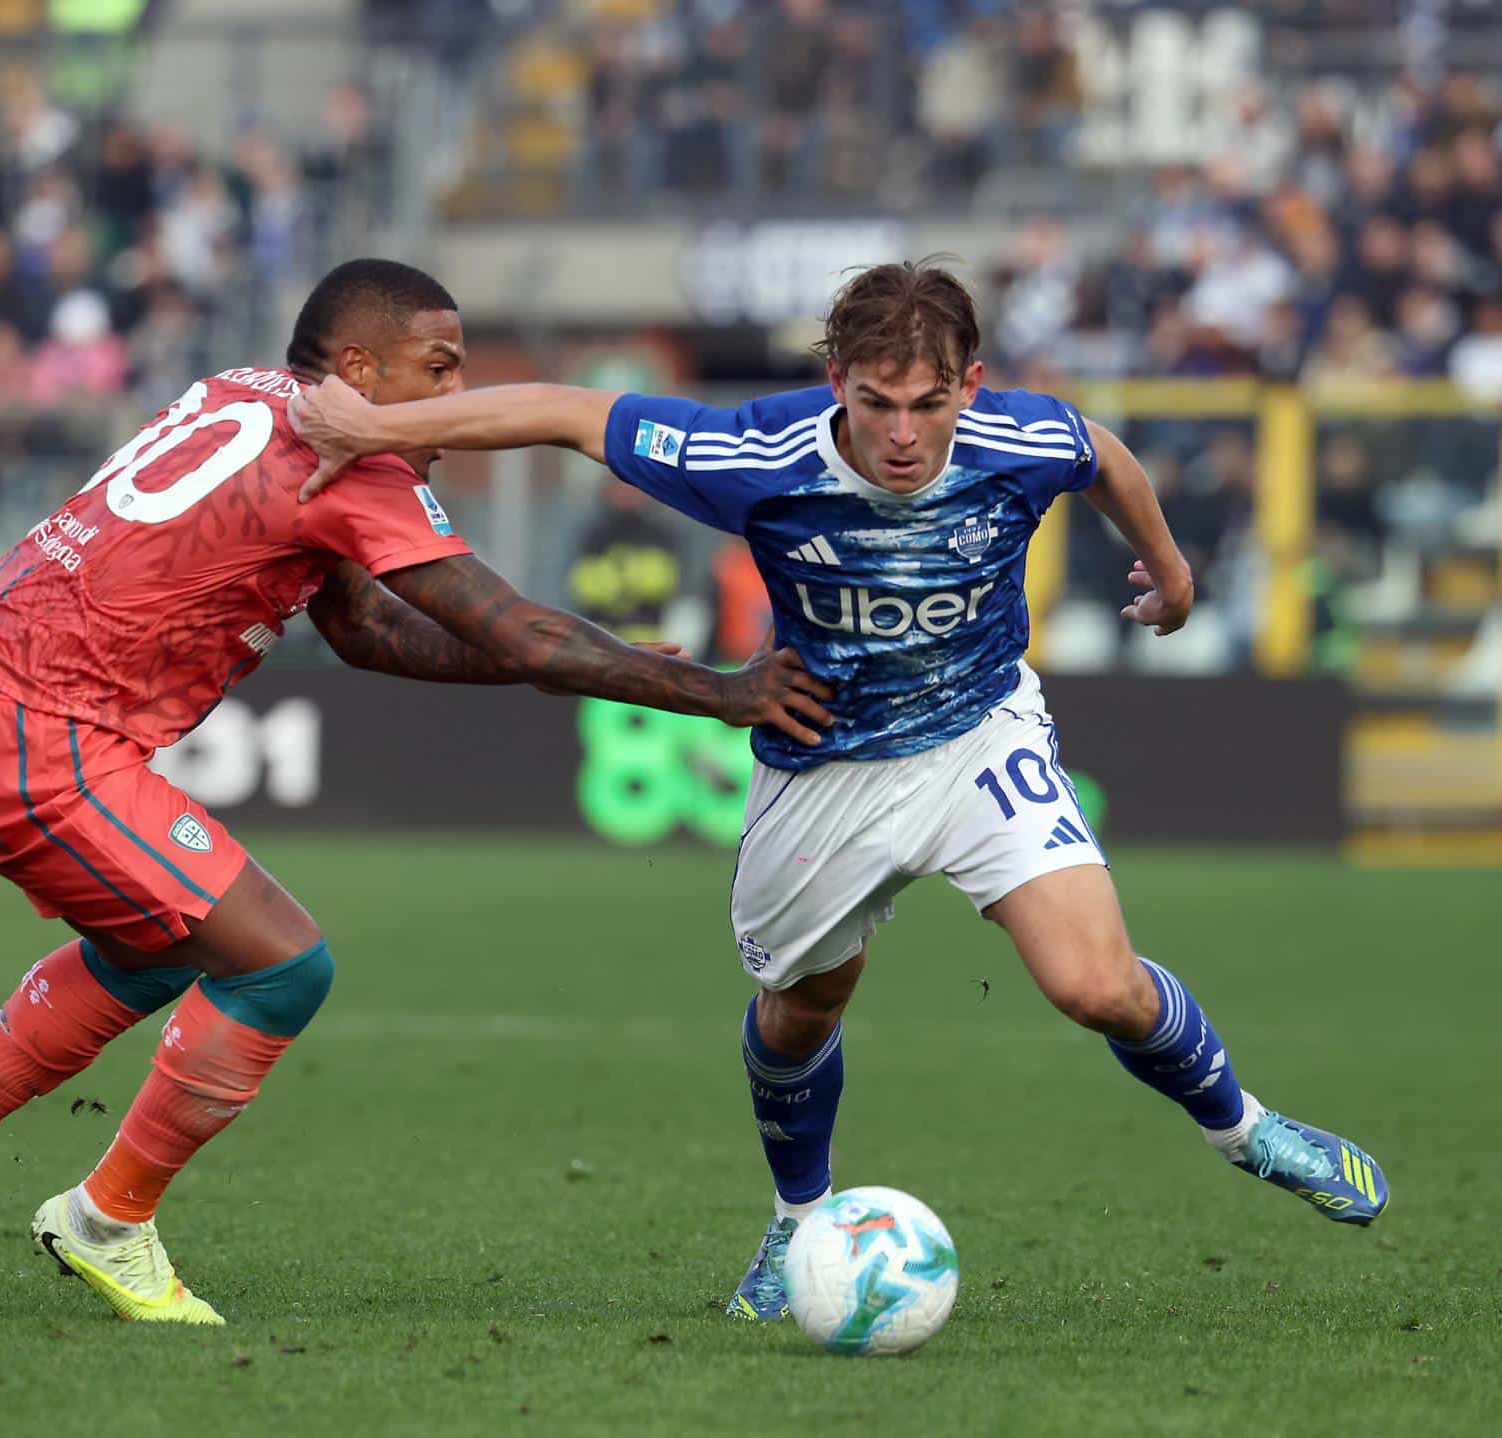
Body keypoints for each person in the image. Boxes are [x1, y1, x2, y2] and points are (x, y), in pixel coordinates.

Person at [286, 258, 1390, 1324]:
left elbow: (1102, 455)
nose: (903, 435)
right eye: (876, 405)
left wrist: (1175, 569)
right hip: (822, 756)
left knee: (1097, 983)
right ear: (836, 388)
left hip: (978, 734)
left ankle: (1246, 1129)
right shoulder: (753, 455)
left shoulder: (1019, 435)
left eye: (926, 404)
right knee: (806, 1004)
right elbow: (573, 412)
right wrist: (378, 430)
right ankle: (795, 1218)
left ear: (969, 385)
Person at [0, 259, 833, 1326]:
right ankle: (108, 1220)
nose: (458, 400)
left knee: (159, 944)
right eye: (437, 371)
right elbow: (517, 626)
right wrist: (717, 690)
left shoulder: (242, 390)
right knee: (283, 963)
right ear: (358, 368)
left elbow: (366, 631)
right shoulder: (357, 472)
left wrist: (570, 658)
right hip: (38, 730)